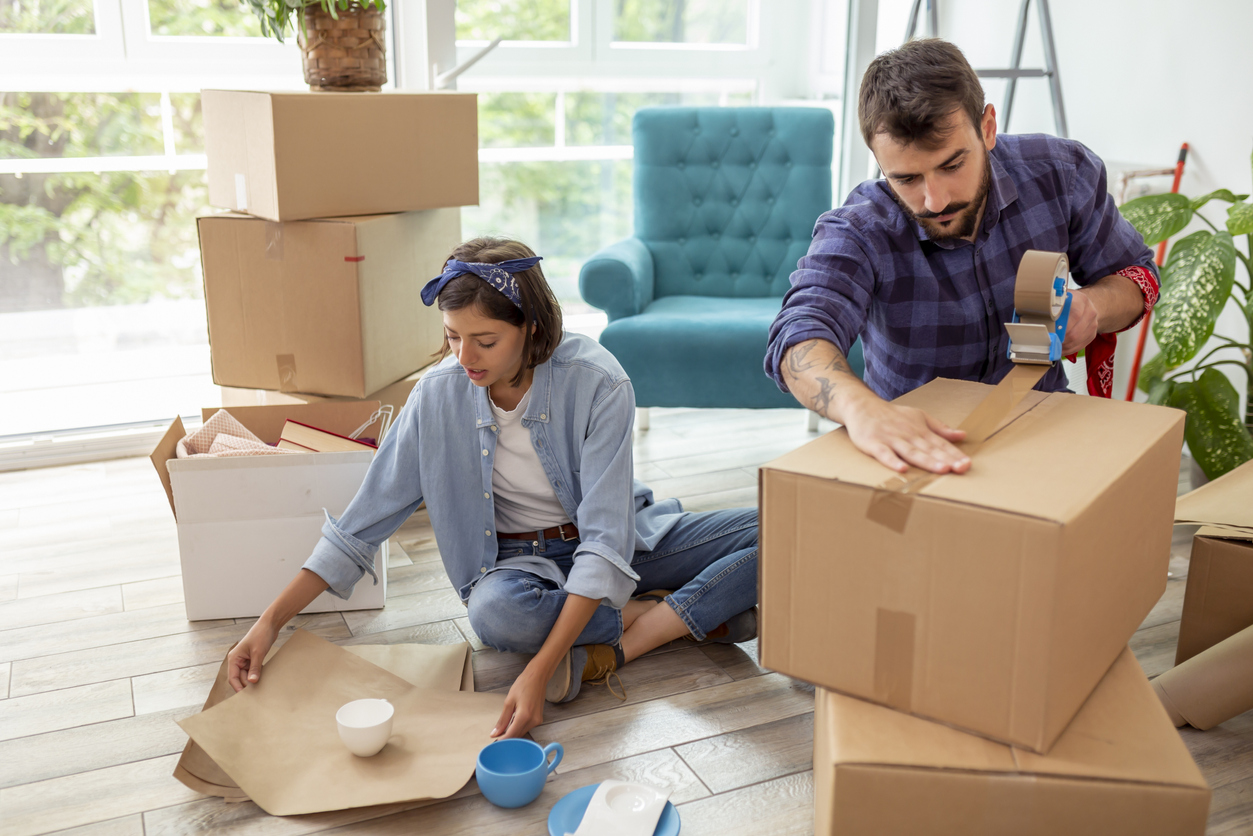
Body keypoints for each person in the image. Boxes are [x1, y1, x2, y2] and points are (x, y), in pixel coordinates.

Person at [225, 237, 759, 740]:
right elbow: (361, 523)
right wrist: (268, 622)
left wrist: (538, 673)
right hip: (518, 563)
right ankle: (666, 613)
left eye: (484, 340)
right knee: (497, 615)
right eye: (452, 336)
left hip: (627, 538)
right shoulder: (437, 396)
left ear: (529, 326)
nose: (464, 357)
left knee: (784, 531)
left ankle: (628, 640)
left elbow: (605, 541)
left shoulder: (598, 381)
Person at [766, 39, 1159, 475]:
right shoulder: (861, 227)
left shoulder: (1061, 173)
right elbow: (799, 334)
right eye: (907, 178)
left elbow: (1137, 273)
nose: (934, 200)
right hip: (918, 449)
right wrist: (864, 410)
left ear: (987, 127)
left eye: (952, 166)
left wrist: (1094, 309)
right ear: (879, 162)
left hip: (1046, 425)